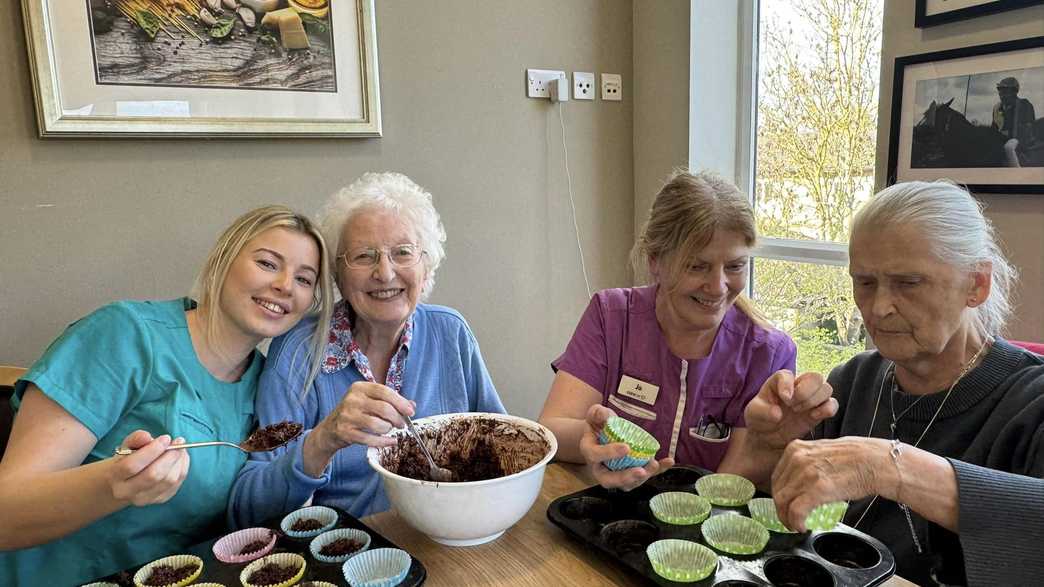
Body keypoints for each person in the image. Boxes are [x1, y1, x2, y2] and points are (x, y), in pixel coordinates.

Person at [731, 180, 1044, 586]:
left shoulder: (1031, 402)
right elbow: (777, 533)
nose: (878, 308)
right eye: (864, 282)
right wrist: (767, 449)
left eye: (908, 283)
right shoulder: (851, 382)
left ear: (976, 285)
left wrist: (890, 466)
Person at [0, 206, 334, 585]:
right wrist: (113, 484)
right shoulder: (124, 336)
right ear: (223, 260)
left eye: (305, 280)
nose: (286, 286)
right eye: (268, 263)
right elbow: (6, 514)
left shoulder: (266, 384)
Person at [228, 172, 506, 524]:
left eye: (402, 253)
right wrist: (322, 440)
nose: (385, 273)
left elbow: (501, 445)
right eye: (364, 256)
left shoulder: (450, 333)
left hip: (454, 533)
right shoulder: (299, 352)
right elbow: (247, 511)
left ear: (426, 265)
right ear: (338, 274)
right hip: (352, 552)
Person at [538, 171, 797, 491]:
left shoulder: (769, 354)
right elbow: (550, 429)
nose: (718, 287)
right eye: (696, 266)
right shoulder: (611, 316)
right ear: (655, 261)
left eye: (735, 266)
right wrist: (590, 440)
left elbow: (727, 488)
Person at [992, 76, 1037, 166]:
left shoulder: (1024, 104)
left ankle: (1016, 172)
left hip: (1020, 140)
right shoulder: (996, 108)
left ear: (1014, 92)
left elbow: (1028, 128)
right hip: (1000, 139)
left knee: (1009, 147)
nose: (1001, 94)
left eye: (1005, 91)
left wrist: (1008, 136)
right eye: (1000, 90)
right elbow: (993, 128)